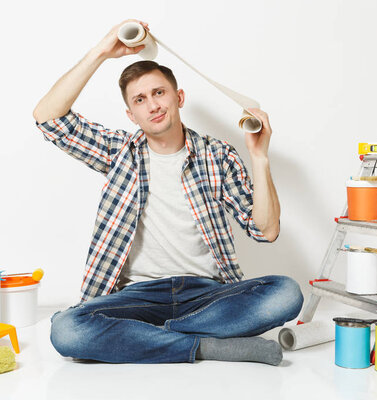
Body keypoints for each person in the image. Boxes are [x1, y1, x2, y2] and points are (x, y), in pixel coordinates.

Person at [33, 19, 303, 365]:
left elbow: (266, 230)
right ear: (131, 115)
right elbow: (47, 118)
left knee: (285, 293)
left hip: (206, 294)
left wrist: (259, 155)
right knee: (67, 329)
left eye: (159, 93)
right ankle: (205, 345)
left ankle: (148, 339)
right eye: (141, 100)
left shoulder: (216, 155)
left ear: (178, 97)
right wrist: (102, 50)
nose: (153, 105)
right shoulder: (118, 152)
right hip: (136, 297)